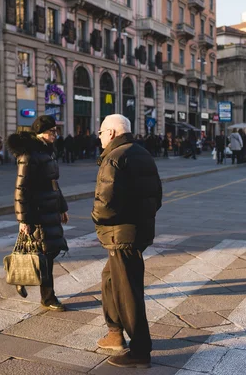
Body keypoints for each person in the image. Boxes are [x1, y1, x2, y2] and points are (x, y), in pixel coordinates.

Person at [93, 114, 162, 368]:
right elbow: (158, 195)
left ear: (111, 133)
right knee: (110, 279)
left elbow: (105, 204)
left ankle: (140, 350)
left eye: (101, 132)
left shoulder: (114, 157)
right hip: (139, 231)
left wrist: (97, 219)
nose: (99, 137)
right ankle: (114, 332)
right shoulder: (143, 153)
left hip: (121, 234)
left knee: (128, 291)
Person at [7, 115, 70, 311]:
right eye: (52, 131)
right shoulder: (29, 155)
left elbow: (54, 183)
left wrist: (62, 207)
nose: (55, 135)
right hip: (37, 212)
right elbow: (21, 189)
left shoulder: (47, 152)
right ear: (41, 133)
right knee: (44, 253)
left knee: (46, 250)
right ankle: (48, 297)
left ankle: (23, 278)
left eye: (56, 131)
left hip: (49, 209)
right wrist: (23, 219)